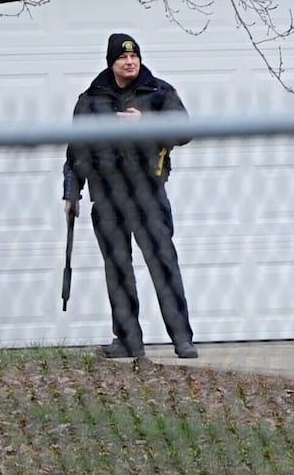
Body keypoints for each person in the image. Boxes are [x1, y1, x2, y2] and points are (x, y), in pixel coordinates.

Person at [63, 33, 198, 360]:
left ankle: (182, 339)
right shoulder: (91, 99)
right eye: (123, 58)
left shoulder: (158, 92)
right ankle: (127, 340)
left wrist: (147, 121)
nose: (130, 61)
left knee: (163, 263)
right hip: (107, 196)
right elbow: (77, 149)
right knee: (117, 268)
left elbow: (184, 131)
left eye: (134, 56)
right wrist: (72, 192)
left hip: (147, 194)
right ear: (112, 62)